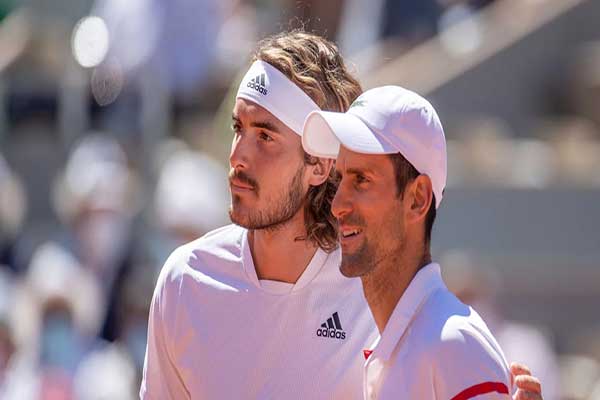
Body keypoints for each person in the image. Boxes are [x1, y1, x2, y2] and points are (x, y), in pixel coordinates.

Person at [141, 31, 542, 399]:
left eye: (265, 136)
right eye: (237, 128)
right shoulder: (184, 280)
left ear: (319, 165)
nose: (237, 156)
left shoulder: (387, 301)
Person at [301, 85, 542, 399]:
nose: (337, 205)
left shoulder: (452, 346)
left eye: (361, 180)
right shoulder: (413, 344)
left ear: (418, 198)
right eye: (340, 180)